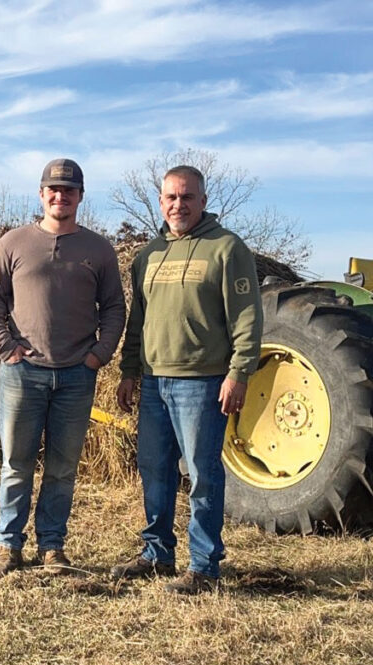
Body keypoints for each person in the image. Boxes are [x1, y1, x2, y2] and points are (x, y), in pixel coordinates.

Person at [112, 165, 262, 594]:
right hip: (155, 381)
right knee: (154, 469)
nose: (178, 205)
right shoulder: (149, 256)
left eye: (187, 197)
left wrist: (239, 373)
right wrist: (128, 371)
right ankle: (157, 553)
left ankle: (204, 565)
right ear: (161, 202)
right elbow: (137, 321)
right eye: (171, 198)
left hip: (203, 382)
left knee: (202, 473)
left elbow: (248, 317)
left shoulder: (227, 249)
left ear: (203, 201)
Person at [0, 158, 126, 576]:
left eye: (69, 190)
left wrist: (100, 354)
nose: (61, 196)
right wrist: (5, 346)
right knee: (16, 464)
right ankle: (8, 546)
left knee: (62, 467)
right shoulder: (14, 243)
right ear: (41, 194)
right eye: (53, 190)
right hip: (23, 372)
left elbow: (114, 306)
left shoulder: (98, 249)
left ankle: (52, 547)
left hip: (77, 375)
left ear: (81, 196)